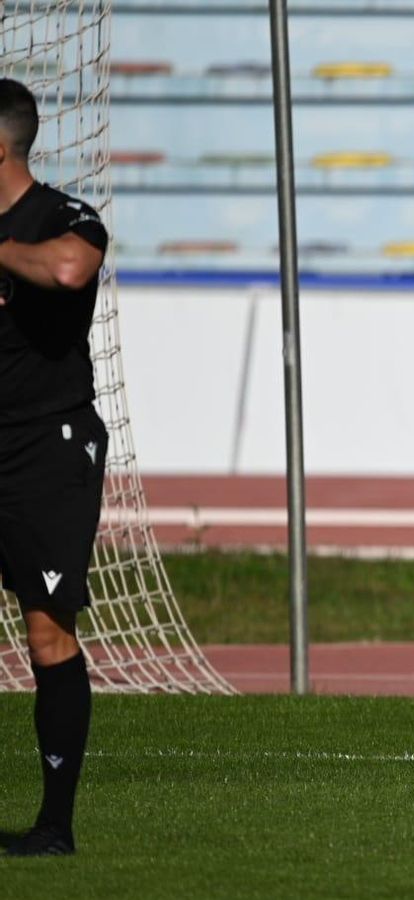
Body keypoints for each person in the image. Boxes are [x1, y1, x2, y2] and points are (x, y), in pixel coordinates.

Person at [0, 77, 112, 855]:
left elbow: (71, 269)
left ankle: (53, 828)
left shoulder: (63, 216)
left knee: (46, 634)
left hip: (47, 447)